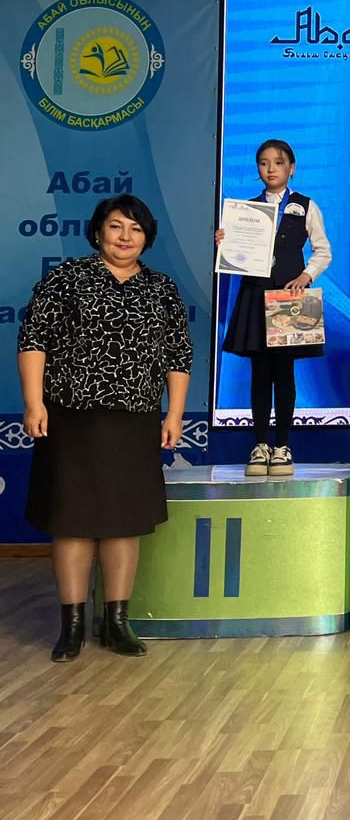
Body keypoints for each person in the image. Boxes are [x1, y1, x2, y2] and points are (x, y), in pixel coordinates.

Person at [17, 195, 192, 662]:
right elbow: (33, 340)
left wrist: (174, 414)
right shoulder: (66, 278)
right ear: (98, 232)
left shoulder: (162, 289)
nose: (125, 236)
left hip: (134, 421)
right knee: (71, 522)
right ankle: (71, 626)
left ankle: (116, 623)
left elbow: (178, 355)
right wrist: (34, 403)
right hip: (70, 418)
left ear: (147, 238)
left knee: (123, 524)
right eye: (115, 226)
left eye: (136, 229)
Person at [217, 139, 331, 477]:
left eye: (278, 163)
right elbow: (233, 258)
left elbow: (323, 250)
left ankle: (282, 446)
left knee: (284, 373)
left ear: (291, 168)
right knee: (260, 373)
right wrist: (224, 244)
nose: (271, 169)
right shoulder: (246, 210)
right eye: (264, 163)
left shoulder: (306, 206)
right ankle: (260, 444)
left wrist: (306, 276)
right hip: (255, 295)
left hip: (289, 298)